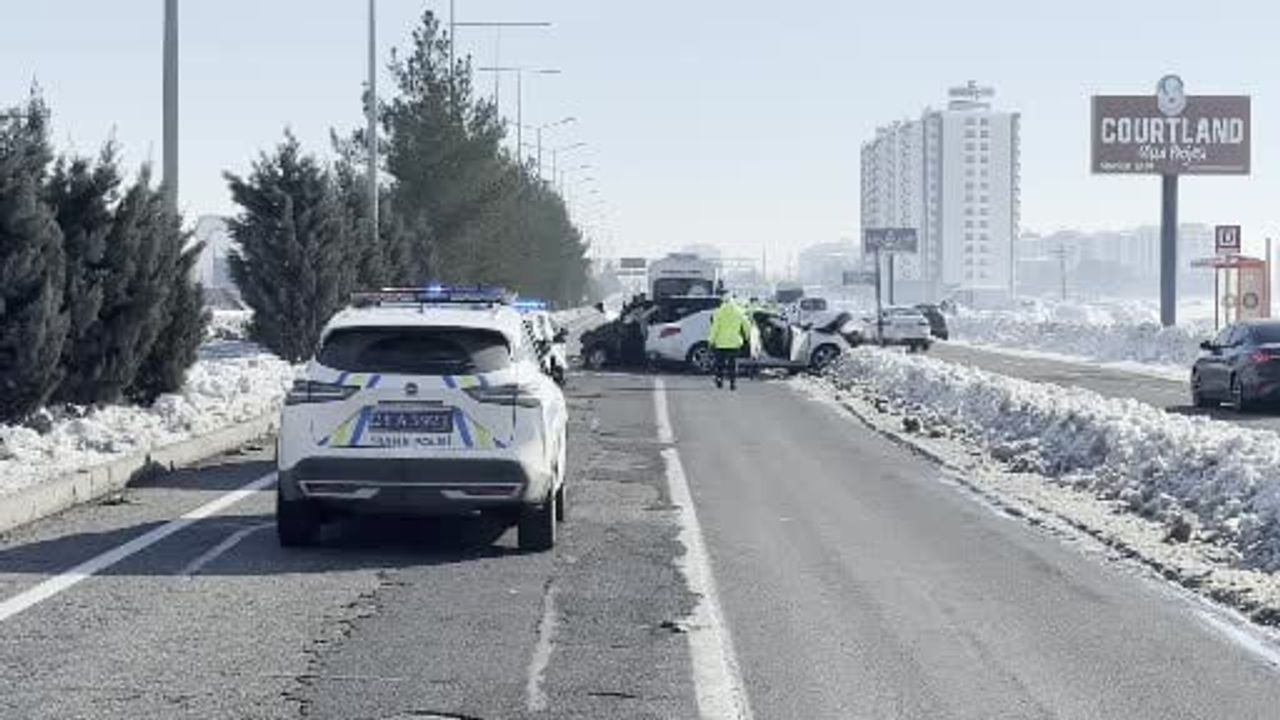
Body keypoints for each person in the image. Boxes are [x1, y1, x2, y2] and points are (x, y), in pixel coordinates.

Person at [707, 295, 751, 390]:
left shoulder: (718, 312)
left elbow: (715, 328)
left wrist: (711, 341)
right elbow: (747, 325)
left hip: (720, 343)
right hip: (734, 342)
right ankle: (733, 382)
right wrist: (748, 337)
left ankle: (719, 379)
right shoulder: (739, 311)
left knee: (720, 363)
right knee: (732, 363)